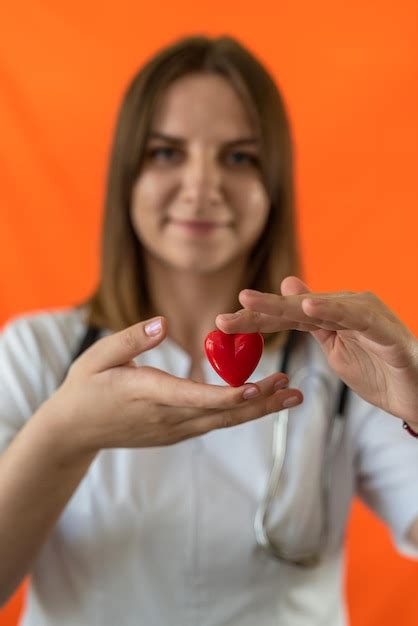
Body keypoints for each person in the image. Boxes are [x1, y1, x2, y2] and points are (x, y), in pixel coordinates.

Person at [0, 34, 417, 626]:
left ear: (273, 185)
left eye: (239, 157)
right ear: (126, 175)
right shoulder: (34, 353)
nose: (201, 187)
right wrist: (63, 435)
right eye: (166, 153)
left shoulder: (347, 363)